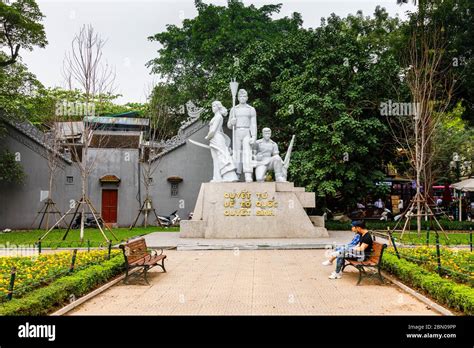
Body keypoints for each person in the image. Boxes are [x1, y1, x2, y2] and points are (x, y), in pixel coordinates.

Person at [227, 89, 257, 182]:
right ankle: (237, 174)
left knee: (247, 153)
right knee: (237, 153)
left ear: (247, 98)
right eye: (240, 96)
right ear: (238, 98)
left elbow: (253, 124)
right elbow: (229, 125)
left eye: (244, 96)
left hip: (247, 131)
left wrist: (254, 136)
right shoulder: (234, 109)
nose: (242, 98)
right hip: (237, 131)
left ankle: (248, 174)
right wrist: (232, 122)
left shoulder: (251, 109)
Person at [205, 101, 239, 182]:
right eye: (212, 106)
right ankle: (217, 178)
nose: (212, 108)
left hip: (216, 138)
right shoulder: (216, 117)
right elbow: (221, 130)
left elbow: (213, 131)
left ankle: (229, 176)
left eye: (214, 106)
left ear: (218, 107)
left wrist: (207, 137)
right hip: (214, 139)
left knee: (221, 157)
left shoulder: (218, 117)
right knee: (215, 159)